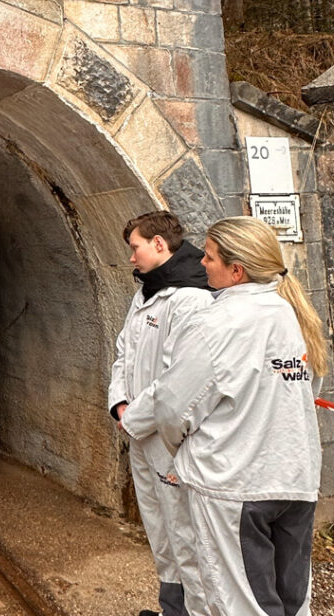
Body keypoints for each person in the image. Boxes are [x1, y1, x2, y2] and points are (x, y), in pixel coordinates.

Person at [152, 216, 328, 616]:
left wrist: (185, 450)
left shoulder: (217, 322)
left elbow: (173, 407)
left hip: (236, 485)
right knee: (292, 600)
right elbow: (307, 391)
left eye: (210, 257)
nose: (201, 264)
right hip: (296, 481)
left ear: (237, 270)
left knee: (241, 604)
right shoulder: (292, 314)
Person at [110, 211, 214, 616]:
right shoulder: (147, 292)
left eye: (135, 247)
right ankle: (172, 606)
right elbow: (124, 351)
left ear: (158, 244)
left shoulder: (191, 298)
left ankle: (196, 610)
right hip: (139, 431)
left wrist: (133, 418)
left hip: (172, 439)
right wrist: (120, 402)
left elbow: (179, 380)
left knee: (186, 532)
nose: (131, 257)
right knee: (158, 527)